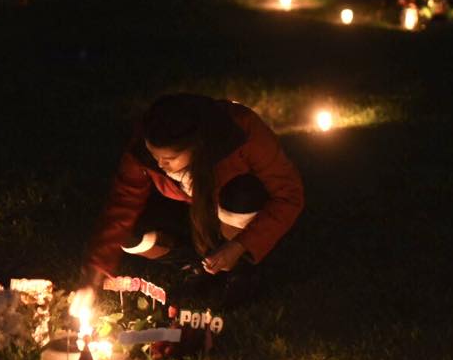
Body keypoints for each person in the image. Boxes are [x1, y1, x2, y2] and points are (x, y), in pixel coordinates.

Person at [75, 93, 304, 303]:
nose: (159, 164)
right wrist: (93, 275)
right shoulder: (149, 137)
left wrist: (239, 246)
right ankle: (195, 266)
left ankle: (238, 270)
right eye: (153, 154)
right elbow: (122, 205)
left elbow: (288, 195)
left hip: (234, 211)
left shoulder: (242, 130)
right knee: (129, 232)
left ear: (197, 147)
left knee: (242, 194)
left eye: (169, 158)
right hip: (190, 212)